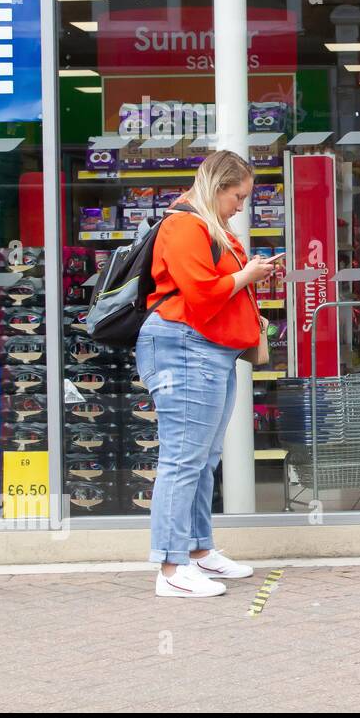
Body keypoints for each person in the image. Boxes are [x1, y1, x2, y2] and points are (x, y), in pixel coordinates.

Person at [139, 149, 277, 597]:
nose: (241, 205)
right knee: (183, 458)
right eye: (237, 196)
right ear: (217, 188)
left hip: (204, 349)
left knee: (202, 458)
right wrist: (248, 275)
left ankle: (198, 552)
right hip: (185, 346)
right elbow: (200, 296)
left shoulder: (205, 226)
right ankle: (171, 568)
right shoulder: (184, 225)